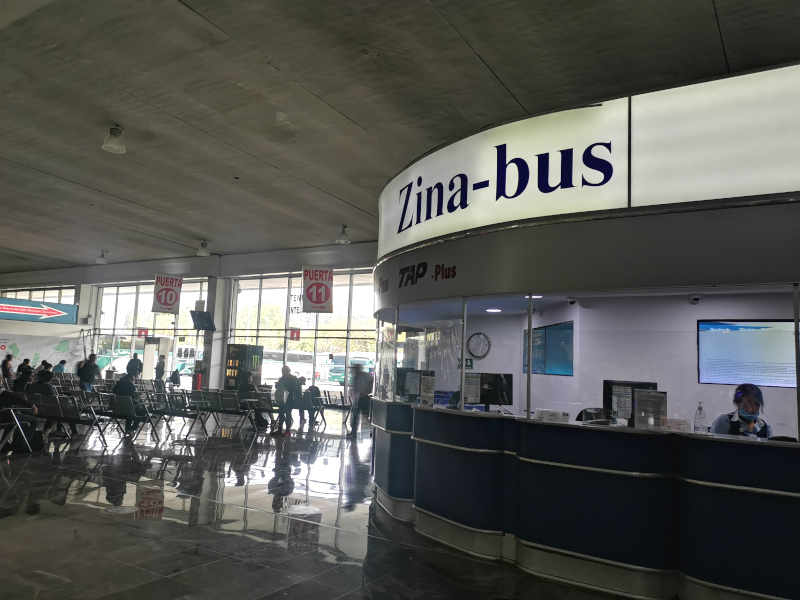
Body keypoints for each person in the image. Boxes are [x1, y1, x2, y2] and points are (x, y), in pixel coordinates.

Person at [346, 364, 373, 438]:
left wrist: (367, 391)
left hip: (365, 397)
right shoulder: (357, 376)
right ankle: (353, 432)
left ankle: (373, 431)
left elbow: (371, 381)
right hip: (361, 396)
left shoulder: (364, 375)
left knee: (367, 415)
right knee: (356, 414)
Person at [274, 366, 299, 436]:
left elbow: (295, 388)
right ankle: (280, 429)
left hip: (290, 398)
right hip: (282, 398)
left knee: (288, 413)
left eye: (284, 371)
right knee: (281, 413)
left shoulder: (293, 379)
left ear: (288, 371)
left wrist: (284, 386)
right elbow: (277, 386)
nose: (283, 373)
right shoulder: (282, 378)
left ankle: (287, 430)